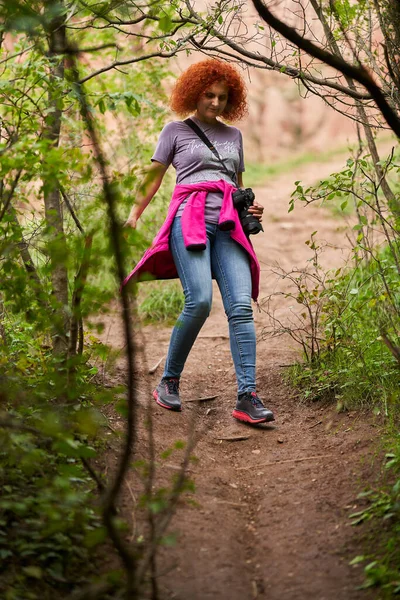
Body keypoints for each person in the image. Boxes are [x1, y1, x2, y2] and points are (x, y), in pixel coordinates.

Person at [124, 59, 274, 425]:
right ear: (195, 93)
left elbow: (236, 184)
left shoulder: (234, 137)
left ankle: (247, 396)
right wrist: (133, 214)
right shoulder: (175, 130)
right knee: (201, 301)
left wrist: (250, 205)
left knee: (240, 305)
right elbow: (153, 177)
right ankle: (168, 381)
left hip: (229, 224)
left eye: (223, 97)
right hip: (189, 220)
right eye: (209, 95)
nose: (216, 103)